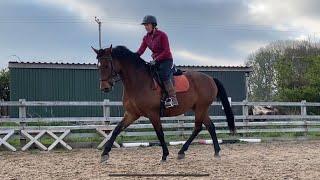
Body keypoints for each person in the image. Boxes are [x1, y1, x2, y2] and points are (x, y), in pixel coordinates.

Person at [136, 15, 178, 108]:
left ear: (153, 25)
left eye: (147, 25)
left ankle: (173, 98)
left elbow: (166, 50)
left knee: (162, 74)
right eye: (145, 25)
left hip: (166, 60)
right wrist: (132, 57)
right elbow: (141, 51)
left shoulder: (162, 35)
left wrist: (156, 59)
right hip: (156, 61)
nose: (146, 27)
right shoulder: (146, 38)